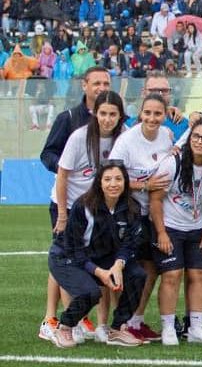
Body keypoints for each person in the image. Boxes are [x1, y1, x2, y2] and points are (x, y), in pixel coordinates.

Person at [43, 91, 126, 343]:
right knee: (73, 266)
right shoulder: (79, 137)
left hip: (100, 211)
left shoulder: (122, 137)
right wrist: (63, 216)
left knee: (100, 263)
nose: (108, 119)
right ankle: (74, 322)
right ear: (94, 113)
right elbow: (63, 174)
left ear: (120, 116)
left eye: (113, 114)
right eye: (103, 113)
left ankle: (102, 324)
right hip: (71, 209)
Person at [46, 161, 146, 348]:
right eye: (107, 179)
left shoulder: (132, 207)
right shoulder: (83, 206)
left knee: (138, 275)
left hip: (102, 256)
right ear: (99, 182)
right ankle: (64, 327)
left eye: (118, 179)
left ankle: (117, 329)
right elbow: (75, 250)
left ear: (125, 181)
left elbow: (130, 243)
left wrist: (118, 264)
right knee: (90, 292)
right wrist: (99, 272)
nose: (113, 184)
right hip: (66, 258)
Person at [108, 94, 176, 343]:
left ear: (165, 114)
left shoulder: (167, 136)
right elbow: (112, 178)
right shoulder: (126, 141)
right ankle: (120, 323)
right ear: (140, 114)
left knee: (152, 269)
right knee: (127, 270)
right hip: (130, 214)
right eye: (148, 113)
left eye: (157, 113)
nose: (152, 118)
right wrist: (144, 184)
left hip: (156, 214)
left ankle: (135, 321)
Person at [149, 121, 202, 345]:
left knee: (200, 275)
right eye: (196, 136)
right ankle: (169, 327)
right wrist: (161, 233)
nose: (200, 141)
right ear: (189, 140)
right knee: (172, 275)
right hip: (170, 226)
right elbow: (155, 199)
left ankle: (196, 328)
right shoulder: (174, 163)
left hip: (197, 228)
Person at [125, 74, 189, 141]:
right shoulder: (128, 126)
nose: (159, 95)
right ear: (143, 93)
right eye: (153, 90)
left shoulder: (185, 126)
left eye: (164, 90)